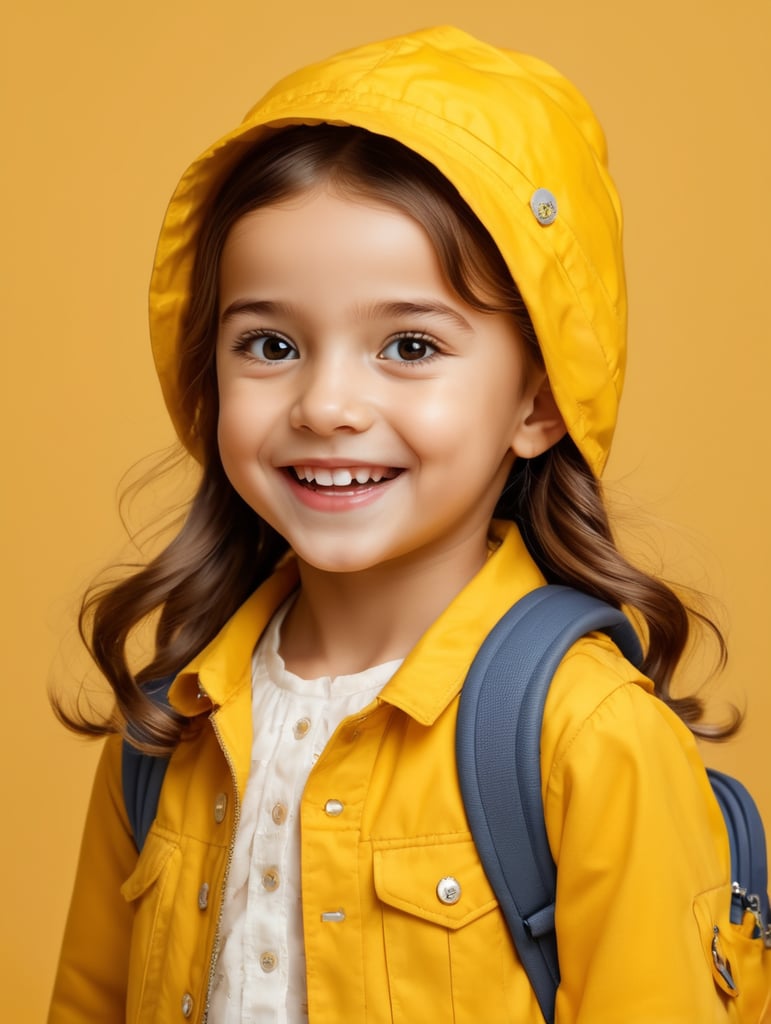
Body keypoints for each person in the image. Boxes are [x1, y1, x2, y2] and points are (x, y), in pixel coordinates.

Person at [48, 25, 765, 1024]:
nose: (326, 405)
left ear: (538, 401)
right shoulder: (172, 721)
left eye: (410, 346)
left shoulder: (589, 736)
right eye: (270, 344)